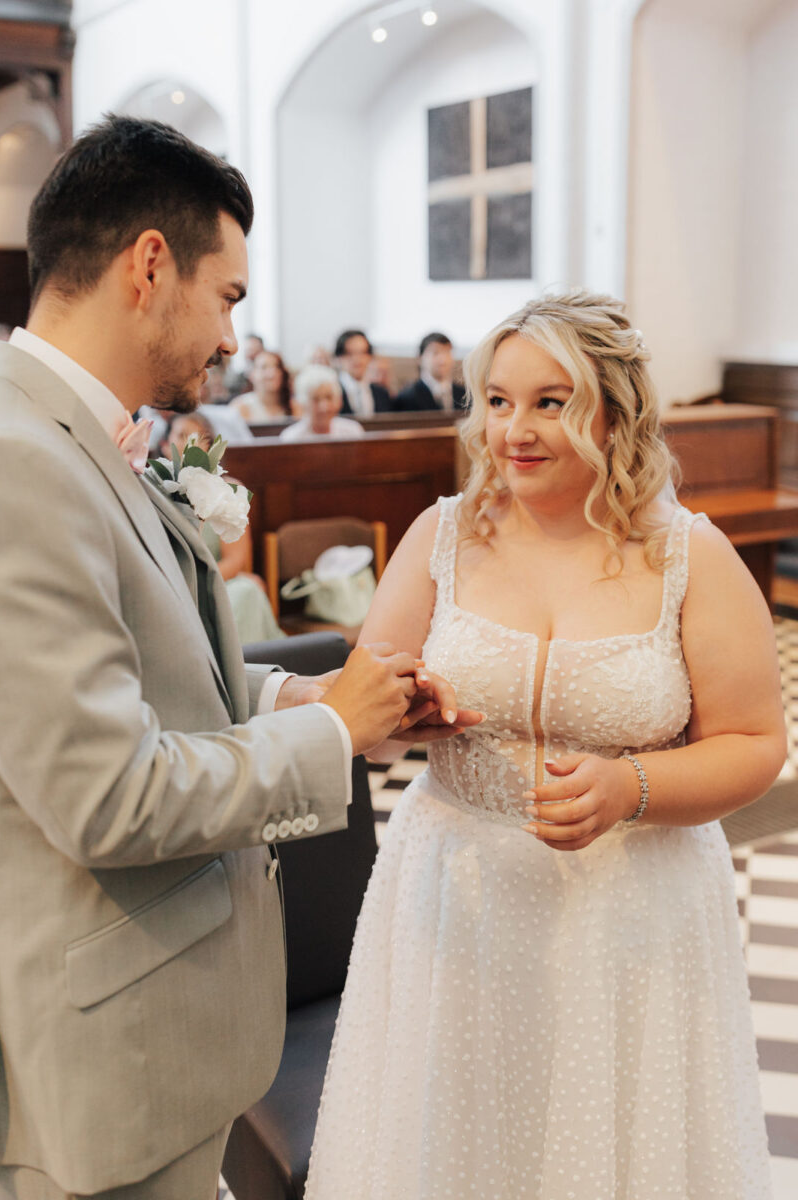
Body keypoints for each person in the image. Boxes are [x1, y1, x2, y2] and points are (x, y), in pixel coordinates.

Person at [0, 115, 473, 1200]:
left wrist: (303, 690)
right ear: (149, 266)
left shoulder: (77, 439)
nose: (229, 335)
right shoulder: (20, 465)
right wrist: (328, 735)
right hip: (102, 1066)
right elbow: (106, 793)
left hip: (163, 1042)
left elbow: (147, 678)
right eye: (229, 299)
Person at [305, 291, 785, 1199]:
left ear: (617, 409)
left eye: (549, 402)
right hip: (455, 896)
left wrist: (630, 786)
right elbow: (359, 706)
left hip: (631, 915)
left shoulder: (689, 557)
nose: (512, 430)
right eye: (495, 400)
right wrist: (402, 712)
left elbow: (757, 742)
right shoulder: (439, 535)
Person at [162, 413, 284, 642]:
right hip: (171, 586)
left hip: (217, 582)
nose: (189, 443)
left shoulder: (228, 490)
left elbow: (236, 560)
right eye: (181, 435)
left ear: (210, 447)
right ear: (164, 444)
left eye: (196, 437)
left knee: (247, 591)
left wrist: (199, 584)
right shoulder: (156, 491)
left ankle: (248, 670)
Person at [280, 365, 365, 442]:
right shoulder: (291, 438)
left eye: (329, 397)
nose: (324, 407)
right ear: (303, 403)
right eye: (316, 399)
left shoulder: (353, 432)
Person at [393, 331, 467, 412]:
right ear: (420, 358)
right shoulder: (407, 397)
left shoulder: (464, 395)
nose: (443, 359)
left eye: (447, 352)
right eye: (435, 353)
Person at [334, 328, 392, 415]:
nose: (357, 359)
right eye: (350, 353)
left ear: (370, 356)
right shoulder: (332, 393)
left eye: (362, 353)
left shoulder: (382, 394)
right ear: (338, 357)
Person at [230, 348, 293, 422]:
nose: (272, 373)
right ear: (252, 375)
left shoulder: (295, 407)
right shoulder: (240, 408)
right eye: (264, 367)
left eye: (277, 367)